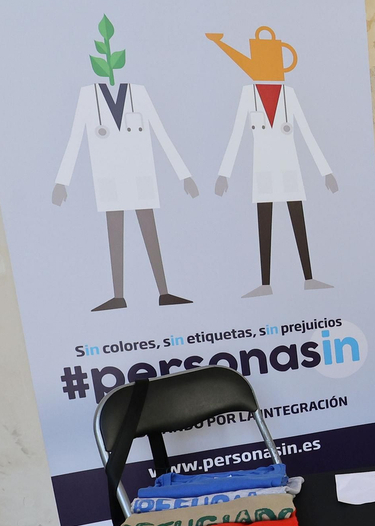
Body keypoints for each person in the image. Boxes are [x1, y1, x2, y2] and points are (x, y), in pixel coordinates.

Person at [53, 17, 197, 312]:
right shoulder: (88, 96)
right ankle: (118, 296)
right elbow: (75, 139)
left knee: (150, 233)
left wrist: (184, 175)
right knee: (114, 235)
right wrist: (62, 180)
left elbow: (161, 133)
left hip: (140, 175)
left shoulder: (138, 93)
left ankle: (164, 292)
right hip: (109, 178)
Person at [209, 26, 337, 296]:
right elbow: (236, 134)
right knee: (263, 224)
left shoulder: (289, 95)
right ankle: (265, 284)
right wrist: (224, 173)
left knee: (297, 221)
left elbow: (307, 132)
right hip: (264, 169)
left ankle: (309, 278)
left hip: (289, 168)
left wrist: (326, 171)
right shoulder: (249, 94)